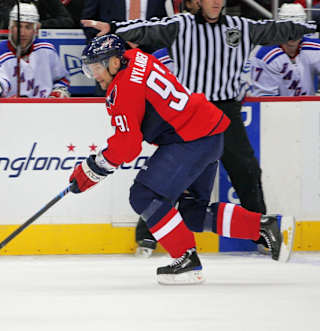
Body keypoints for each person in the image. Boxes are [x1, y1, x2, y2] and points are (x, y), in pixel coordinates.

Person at [81, 0, 318, 256]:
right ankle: (258, 226)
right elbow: (149, 28)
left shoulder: (241, 26)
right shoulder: (175, 29)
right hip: (194, 117)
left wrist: (312, 24)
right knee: (185, 205)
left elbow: (274, 30)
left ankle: (219, 246)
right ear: (196, 2)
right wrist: (115, 29)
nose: (216, 2)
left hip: (210, 118)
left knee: (238, 172)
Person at [69, 34, 295, 285]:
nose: (95, 75)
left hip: (190, 139)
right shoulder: (135, 57)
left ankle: (186, 260)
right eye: (90, 69)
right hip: (208, 132)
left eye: (97, 67)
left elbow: (128, 145)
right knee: (191, 211)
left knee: (143, 195)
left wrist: (92, 169)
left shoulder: (122, 90)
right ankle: (265, 226)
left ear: (113, 63)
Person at [0, 2, 70, 98]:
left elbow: (62, 79)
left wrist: (58, 91)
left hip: (43, 110)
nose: (22, 33)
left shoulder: (46, 50)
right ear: (10, 28)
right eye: (18, 26)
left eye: (28, 27)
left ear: (35, 30)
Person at [249, 4, 320, 97]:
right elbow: (265, 101)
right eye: (288, 29)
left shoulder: (315, 48)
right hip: (276, 109)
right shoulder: (266, 56)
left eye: (298, 29)